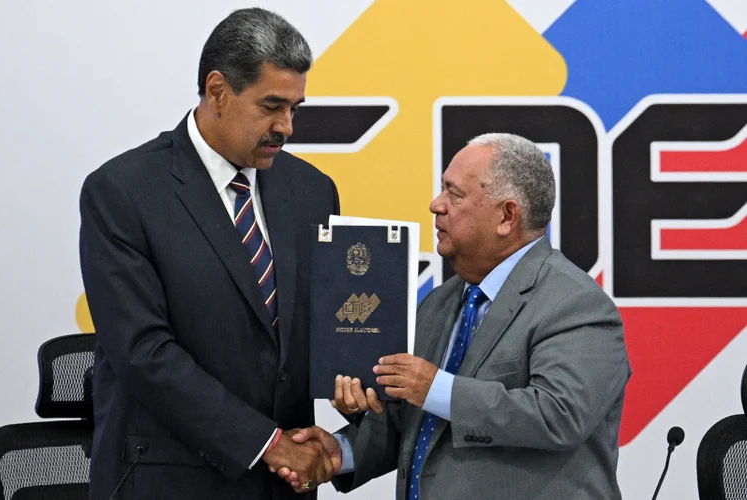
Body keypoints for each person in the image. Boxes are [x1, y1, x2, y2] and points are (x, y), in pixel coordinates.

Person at [79, 8, 340, 499]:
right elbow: (144, 354)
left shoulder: (313, 191)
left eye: (295, 109)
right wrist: (268, 444)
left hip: (283, 485)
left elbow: (319, 329)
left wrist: (355, 386)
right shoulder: (123, 192)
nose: (286, 127)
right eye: (271, 106)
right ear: (217, 90)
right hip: (168, 481)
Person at [281, 133, 631, 499]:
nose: (436, 205)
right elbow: (416, 423)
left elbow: (559, 415)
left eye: (454, 194)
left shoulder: (574, 303)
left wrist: (435, 387)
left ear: (507, 216)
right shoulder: (439, 303)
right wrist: (340, 452)